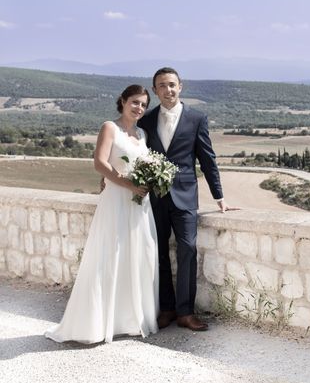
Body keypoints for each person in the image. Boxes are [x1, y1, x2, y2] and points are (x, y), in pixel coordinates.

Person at [45, 85, 158, 344]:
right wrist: (127, 184)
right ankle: (97, 323)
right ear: (122, 101)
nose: (139, 107)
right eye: (134, 102)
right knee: (110, 255)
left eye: (143, 104)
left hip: (139, 203)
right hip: (117, 199)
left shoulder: (142, 133)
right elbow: (100, 162)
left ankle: (129, 319)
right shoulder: (110, 127)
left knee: (139, 255)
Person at [138, 67, 228, 332]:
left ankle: (186, 313)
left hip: (186, 196)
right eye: (162, 86)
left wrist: (219, 195)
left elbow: (207, 158)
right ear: (155, 91)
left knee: (188, 248)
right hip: (155, 197)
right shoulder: (147, 120)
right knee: (160, 253)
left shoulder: (197, 118)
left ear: (181, 87)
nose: (168, 90)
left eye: (172, 85)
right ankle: (166, 309)